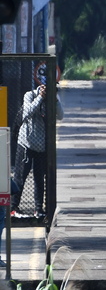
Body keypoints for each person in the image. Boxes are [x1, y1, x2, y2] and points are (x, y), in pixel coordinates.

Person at [11, 72, 63, 219]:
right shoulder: (30, 95)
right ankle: (13, 208)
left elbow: (61, 115)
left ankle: (39, 209)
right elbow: (26, 113)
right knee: (20, 177)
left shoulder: (52, 99)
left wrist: (55, 100)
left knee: (39, 178)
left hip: (42, 146)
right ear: (41, 87)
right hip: (26, 143)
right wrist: (40, 97)